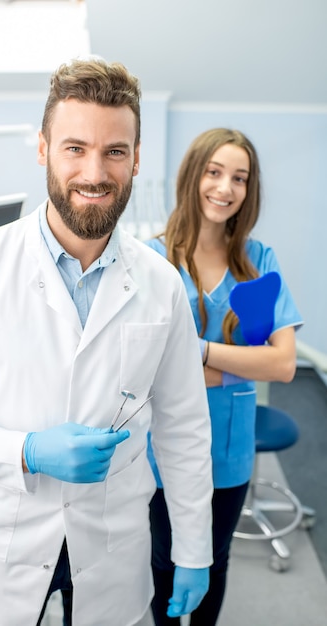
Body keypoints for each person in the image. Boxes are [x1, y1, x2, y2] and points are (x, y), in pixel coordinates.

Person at [0, 58, 213, 626]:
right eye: (75, 148)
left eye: (115, 152)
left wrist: (194, 551)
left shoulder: (160, 284)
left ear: (137, 159)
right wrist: (25, 451)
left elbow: (184, 427)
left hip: (115, 547)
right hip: (6, 545)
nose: (95, 173)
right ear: (44, 148)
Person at [145, 128, 303, 625]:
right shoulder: (152, 260)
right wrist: (235, 362)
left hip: (229, 447)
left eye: (239, 177)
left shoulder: (260, 262)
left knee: (215, 560)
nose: (225, 188)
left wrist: (198, 351)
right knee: (164, 564)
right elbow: (143, 365)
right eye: (214, 172)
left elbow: (282, 364)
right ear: (193, 176)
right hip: (162, 446)